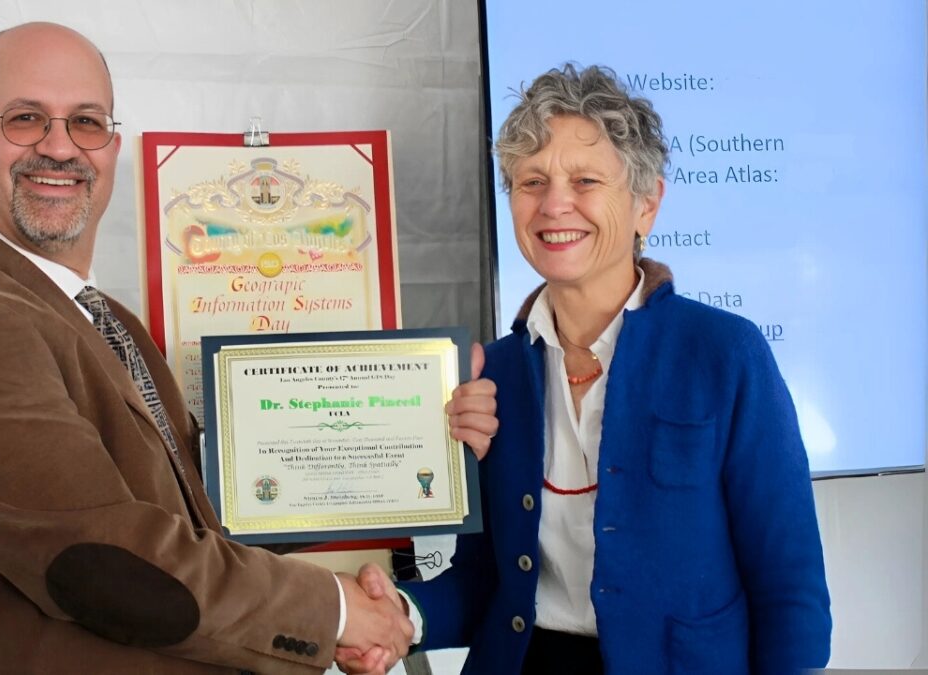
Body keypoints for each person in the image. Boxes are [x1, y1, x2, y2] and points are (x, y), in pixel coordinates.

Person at [0, 22, 497, 674]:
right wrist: (334, 611)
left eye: (86, 121)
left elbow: (222, 503)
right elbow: (110, 567)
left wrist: (419, 426)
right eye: (24, 118)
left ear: (111, 147)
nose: (59, 147)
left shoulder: (102, 319)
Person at [337, 64, 831, 674]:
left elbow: (790, 588)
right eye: (531, 180)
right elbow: (482, 582)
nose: (554, 204)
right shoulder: (491, 376)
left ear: (647, 202)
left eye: (586, 179)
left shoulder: (726, 355)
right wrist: (399, 617)